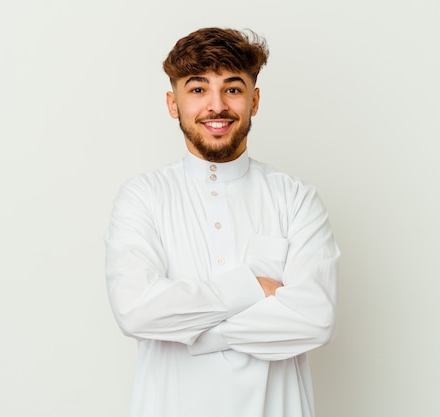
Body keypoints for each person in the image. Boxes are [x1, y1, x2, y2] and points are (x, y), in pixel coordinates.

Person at [105, 27, 340, 417]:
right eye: (198, 89)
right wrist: (251, 288)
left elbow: (316, 319)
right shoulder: (143, 197)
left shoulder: (295, 198)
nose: (216, 106)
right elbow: (136, 310)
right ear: (172, 103)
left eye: (232, 89)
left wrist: (195, 333)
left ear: (255, 100)